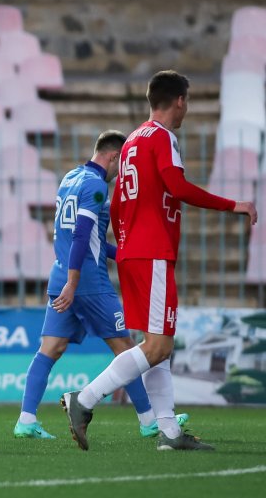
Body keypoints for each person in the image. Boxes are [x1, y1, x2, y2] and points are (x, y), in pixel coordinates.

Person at [63, 70, 257, 451]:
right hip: (151, 252)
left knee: (156, 346)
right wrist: (234, 205)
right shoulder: (163, 137)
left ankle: (168, 431)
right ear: (180, 101)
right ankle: (83, 400)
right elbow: (177, 187)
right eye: (187, 102)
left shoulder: (133, 140)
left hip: (134, 252)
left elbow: (116, 204)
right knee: (157, 347)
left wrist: (127, 242)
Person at [14, 131, 189, 439]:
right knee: (127, 349)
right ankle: (149, 421)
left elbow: (85, 237)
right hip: (87, 281)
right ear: (113, 157)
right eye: (121, 164)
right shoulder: (96, 185)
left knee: (50, 348)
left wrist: (125, 255)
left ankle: (26, 420)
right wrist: (75, 282)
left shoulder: (70, 178)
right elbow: (82, 235)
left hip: (61, 273)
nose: (121, 172)